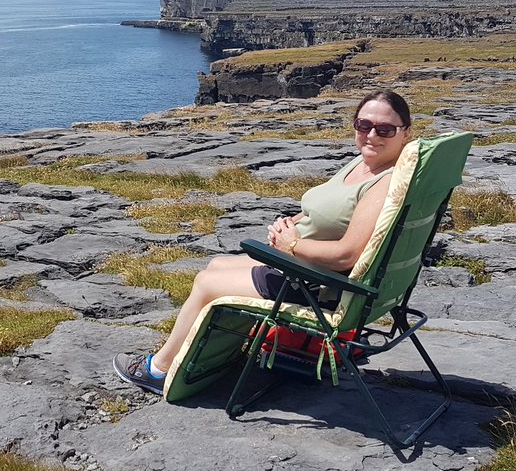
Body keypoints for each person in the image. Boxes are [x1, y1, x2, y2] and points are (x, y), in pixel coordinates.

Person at [113, 90, 415, 394]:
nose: (371, 135)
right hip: (302, 267)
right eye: (363, 126)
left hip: (314, 284)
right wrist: (292, 224)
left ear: (405, 134)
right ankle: (213, 356)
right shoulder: (362, 163)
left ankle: (159, 370)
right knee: (216, 264)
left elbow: (346, 255)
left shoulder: (384, 182)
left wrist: (292, 246)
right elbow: (329, 212)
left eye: (385, 129)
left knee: (206, 283)